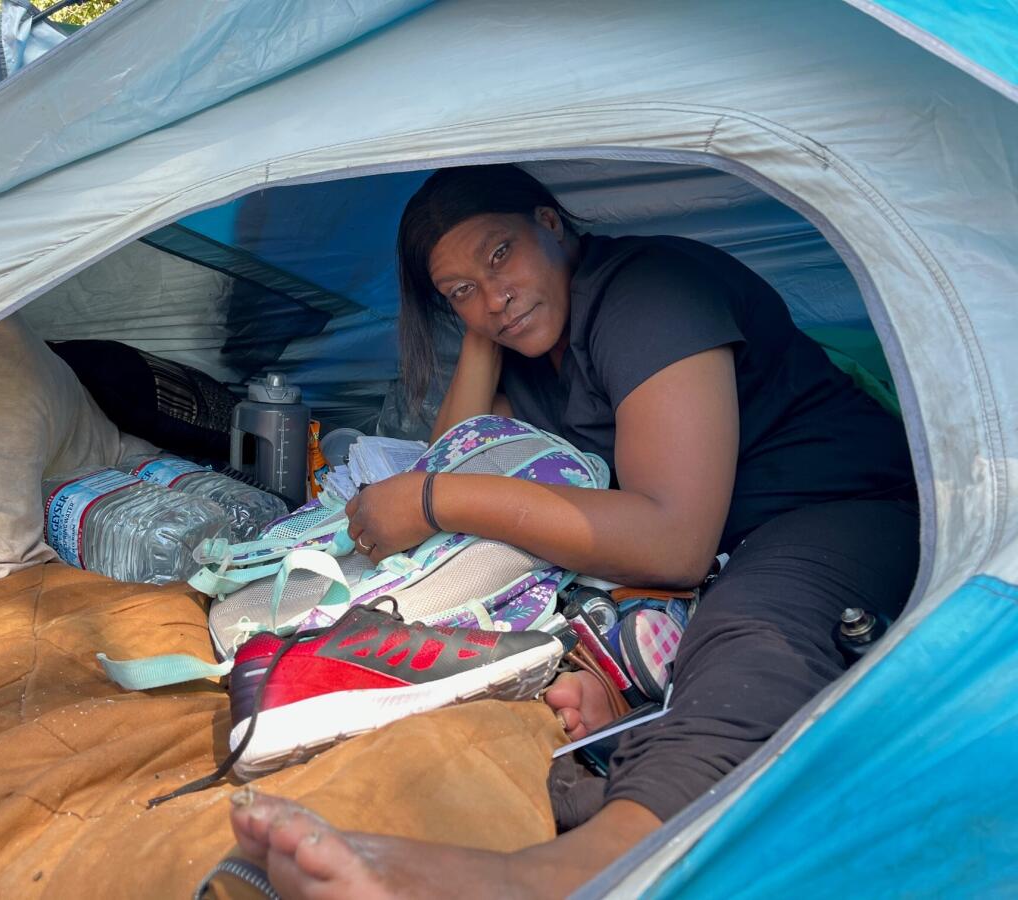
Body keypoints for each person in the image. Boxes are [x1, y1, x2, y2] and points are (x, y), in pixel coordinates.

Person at [227, 164, 919, 897]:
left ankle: (572, 870)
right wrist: (485, 334)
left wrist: (434, 499)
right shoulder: (522, 339)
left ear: (551, 226)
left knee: (752, 637)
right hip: (702, 561)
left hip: (831, 514)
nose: (493, 296)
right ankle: (618, 776)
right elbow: (463, 449)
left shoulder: (650, 295)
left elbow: (673, 541)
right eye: (459, 290)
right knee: (528, 653)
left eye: (501, 255)